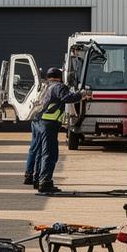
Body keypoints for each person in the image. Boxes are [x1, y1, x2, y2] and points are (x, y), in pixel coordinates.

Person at [27, 66, 82, 194]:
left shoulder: (44, 87)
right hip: (49, 124)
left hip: (38, 122)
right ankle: (45, 182)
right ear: (59, 77)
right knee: (50, 153)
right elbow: (67, 98)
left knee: (41, 152)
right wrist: (81, 95)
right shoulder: (58, 86)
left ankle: (38, 179)